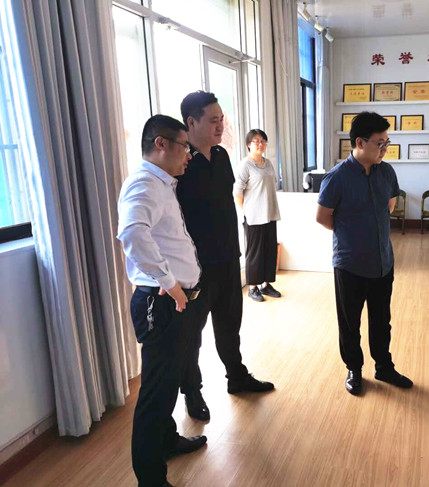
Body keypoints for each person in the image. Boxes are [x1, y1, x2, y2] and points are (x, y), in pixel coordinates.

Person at [117, 114, 207, 487]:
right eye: (184, 147)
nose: (189, 155)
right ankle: (151, 479)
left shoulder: (161, 183)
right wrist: (170, 284)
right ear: (161, 144)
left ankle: (167, 441)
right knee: (156, 393)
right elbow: (132, 233)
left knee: (168, 383)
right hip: (161, 302)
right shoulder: (144, 183)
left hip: (173, 301)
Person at [176, 91, 274, 422]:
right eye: (214, 120)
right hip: (196, 267)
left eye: (222, 120)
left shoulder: (220, 155)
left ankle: (237, 376)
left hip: (229, 258)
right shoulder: (180, 162)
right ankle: (192, 392)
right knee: (192, 334)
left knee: (230, 324)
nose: (221, 126)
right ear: (192, 122)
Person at [316, 111, 413, 396]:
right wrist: (351, 234)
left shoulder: (387, 172)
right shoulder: (337, 178)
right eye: (380, 143)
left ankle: (383, 366)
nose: (385, 149)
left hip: (383, 261)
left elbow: (389, 205)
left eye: (387, 143)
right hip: (350, 264)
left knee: (382, 321)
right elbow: (322, 217)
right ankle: (354, 369)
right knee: (350, 323)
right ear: (360, 142)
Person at [234, 129, 282, 302]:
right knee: (255, 253)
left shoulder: (268, 163)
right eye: (255, 141)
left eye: (262, 141)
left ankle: (266, 285)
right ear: (249, 144)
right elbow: (237, 193)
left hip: (270, 213)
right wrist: (246, 211)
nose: (260, 144)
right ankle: (253, 287)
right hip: (253, 216)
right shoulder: (245, 165)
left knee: (269, 250)